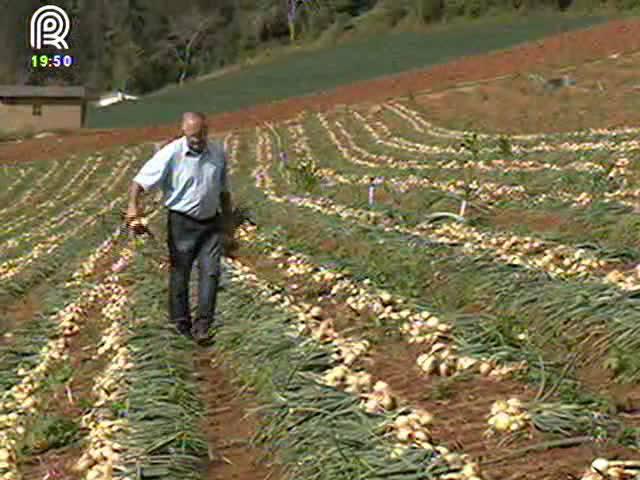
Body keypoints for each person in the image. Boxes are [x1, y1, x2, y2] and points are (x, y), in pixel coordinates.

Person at [126, 112, 233, 343]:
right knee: (180, 273)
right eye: (193, 136)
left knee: (211, 273)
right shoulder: (171, 152)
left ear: (207, 131)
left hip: (211, 223)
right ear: (184, 131)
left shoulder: (217, 152)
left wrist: (228, 223)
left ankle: (203, 326)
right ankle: (180, 325)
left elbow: (224, 190)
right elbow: (139, 181)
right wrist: (133, 208)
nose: (197, 140)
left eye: (201, 135)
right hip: (182, 222)